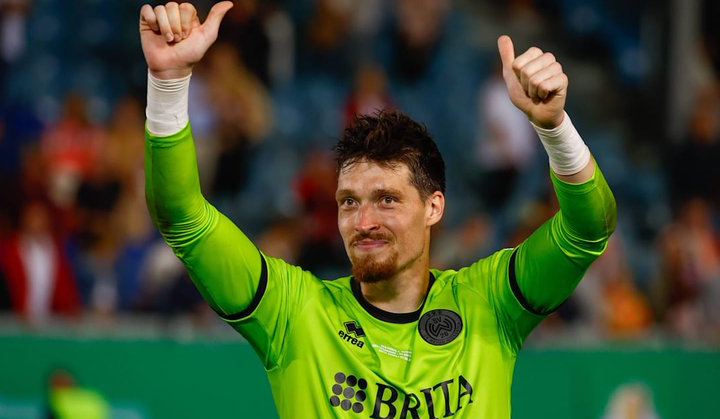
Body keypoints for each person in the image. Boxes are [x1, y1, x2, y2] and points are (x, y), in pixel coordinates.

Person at [139, 2, 616, 418]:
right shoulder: (295, 314)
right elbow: (182, 217)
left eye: (387, 199)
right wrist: (168, 83)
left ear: (433, 207)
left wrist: (555, 127)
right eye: (349, 202)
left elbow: (588, 229)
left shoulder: (490, 304)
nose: (363, 223)